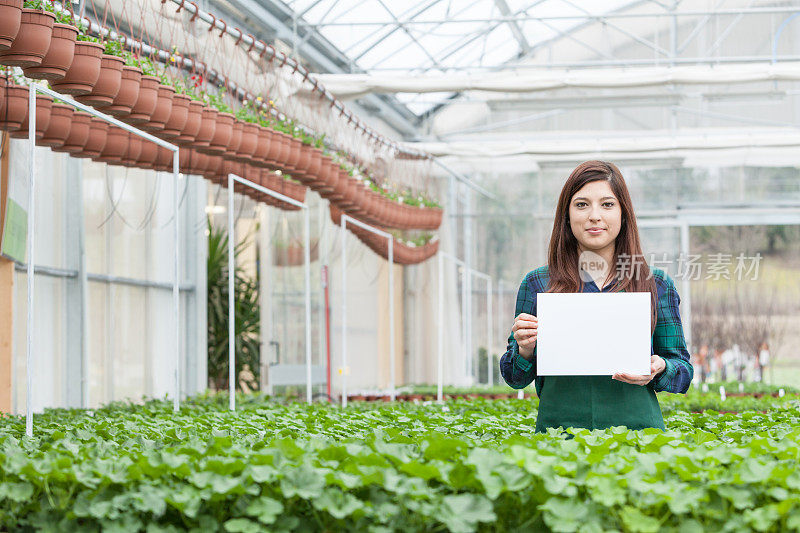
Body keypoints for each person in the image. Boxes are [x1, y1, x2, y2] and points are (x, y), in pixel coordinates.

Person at [499, 161, 693, 432]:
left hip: (639, 438)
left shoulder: (656, 284)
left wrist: (660, 367)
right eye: (581, 204)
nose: (594, 215)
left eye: (607, 204)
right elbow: (514, 377)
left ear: (624, 214)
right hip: (559, 436)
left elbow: (683, 371)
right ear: (566, 215)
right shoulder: (538, 283)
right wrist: (524, 349)